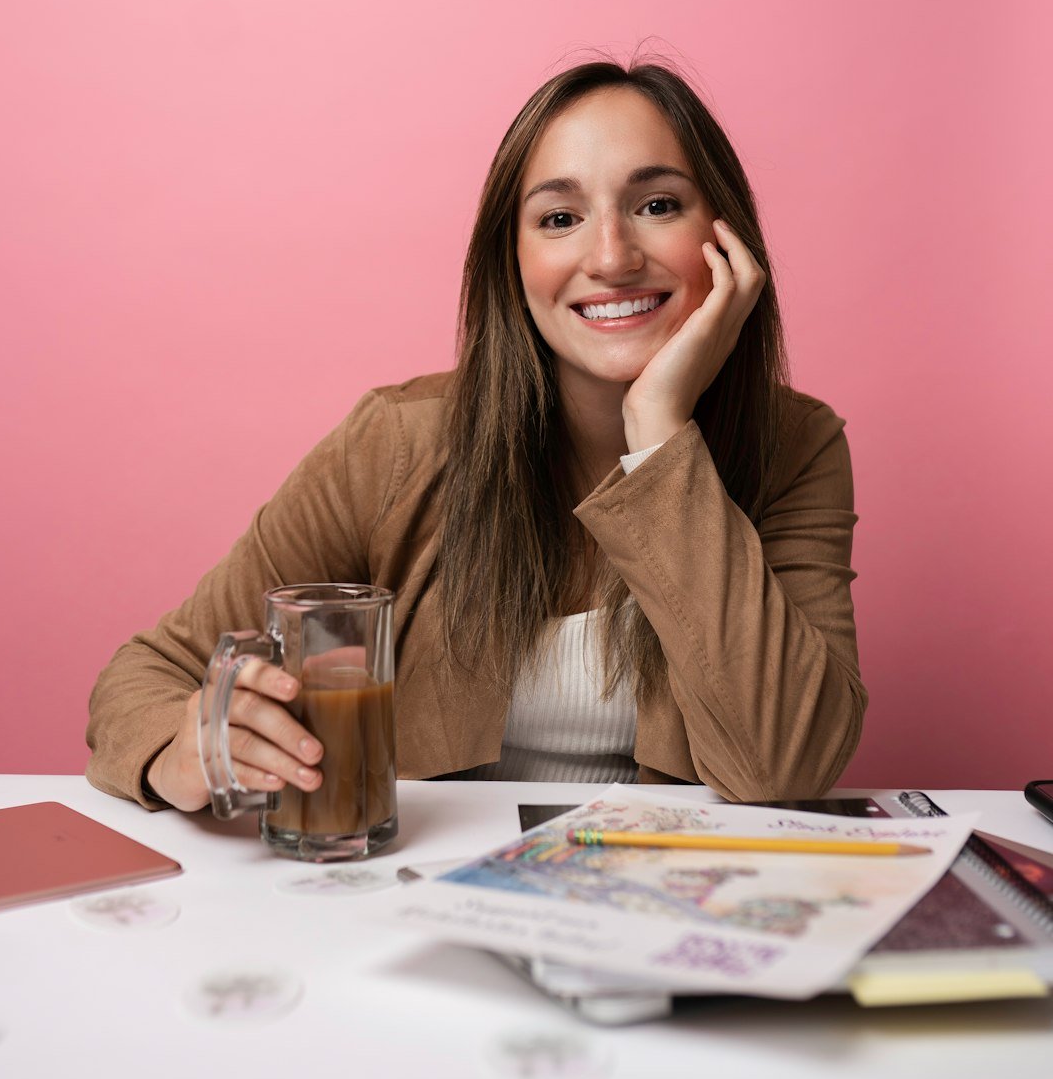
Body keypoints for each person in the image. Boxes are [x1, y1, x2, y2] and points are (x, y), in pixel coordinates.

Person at [86, 56, 867, 811]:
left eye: (657, 205)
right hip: (423, 897)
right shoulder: (396, 446)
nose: (611, 256)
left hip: (671, 907)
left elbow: (782, 766)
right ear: (513, 263)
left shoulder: (795, 448)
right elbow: (148, 674)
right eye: (560, 218)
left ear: (725, 237)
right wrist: (186, 750)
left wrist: (659, 436)